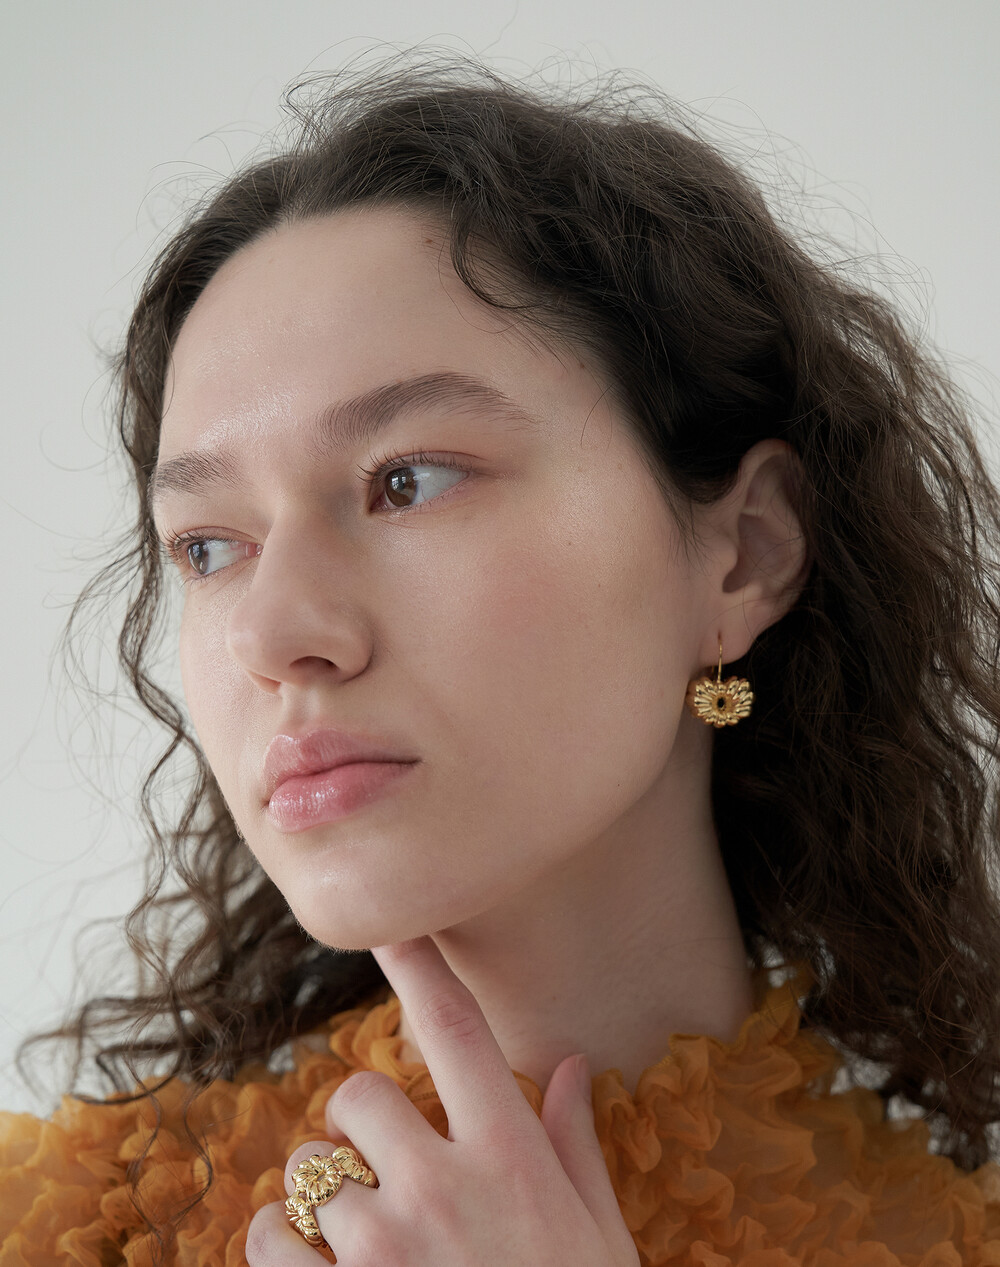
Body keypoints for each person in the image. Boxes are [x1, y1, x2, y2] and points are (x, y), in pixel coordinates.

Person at [3, 50, 1000, 1267]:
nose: (270, 635)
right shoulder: (67, 1231)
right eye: (208, 547)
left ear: (742, 553)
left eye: (407, 481)